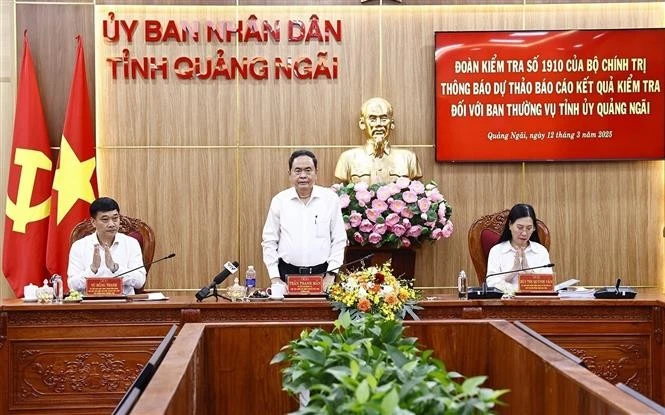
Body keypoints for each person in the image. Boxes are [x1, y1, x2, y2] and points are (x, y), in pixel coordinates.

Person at [262, 150, 347, 291]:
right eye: (297, 171)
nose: (303, 176)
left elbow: (339, 239)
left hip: (322, 276)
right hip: (287, 276)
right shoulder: (280, 201)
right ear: (289, 173)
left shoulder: (330, 199)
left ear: (316, 172)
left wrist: (331, 274)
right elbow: (269, 241)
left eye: (308, 170)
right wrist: (275, 278)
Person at [335, 97, 423, 185]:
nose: (378, 124)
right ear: (362, 124)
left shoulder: (408, 158)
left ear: (392, 124)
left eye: (383, 119)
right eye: (372, 119)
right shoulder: (347, 158)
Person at [67, 197, 146, 295]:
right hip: (89, 306)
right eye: (105, 220)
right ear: (93, 222)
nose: (111, 224)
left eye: (115, 218)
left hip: (124, 305)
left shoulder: (131, 244)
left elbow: (140, 281)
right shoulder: (79, 246)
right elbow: (72, 285)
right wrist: (92, 269)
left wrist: (115, 268)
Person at [486, 203, 551, 292]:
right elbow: (491, 284)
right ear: (510, 225)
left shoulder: (540, 251)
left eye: (529, 228)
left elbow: (548, 284)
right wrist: (513, 272)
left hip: (534, 302)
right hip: (504, 303)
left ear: (534, 228)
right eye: (520, 227)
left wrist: (529, 272)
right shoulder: (497, 251)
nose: (524, 233)